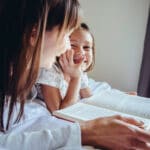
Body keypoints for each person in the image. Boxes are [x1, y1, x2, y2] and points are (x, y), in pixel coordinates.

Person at [0, 0, 150, 150]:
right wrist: (88, 134)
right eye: (66, 35)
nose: (67, 46)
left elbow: (89, 95)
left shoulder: (20, 79)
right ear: (34, 33)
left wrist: (117, 100)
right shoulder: (42, 75)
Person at [36, 23, 94, 112]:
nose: (81, 52)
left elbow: (89, 98)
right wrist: (76, 78)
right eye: (72, 45)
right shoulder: (49, 70)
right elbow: (61, 112)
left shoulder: (79, 71)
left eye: (86, 47)